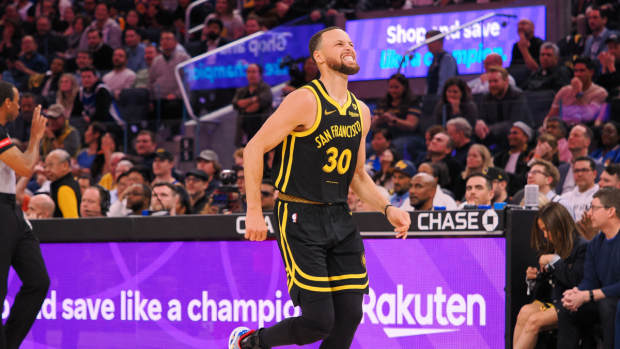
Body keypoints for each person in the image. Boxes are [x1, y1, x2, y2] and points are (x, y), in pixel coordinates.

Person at [233, 27, 411, 349]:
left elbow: (357, 175)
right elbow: (254, 148)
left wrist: (387, 207)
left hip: (340, 216)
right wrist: (255, 210)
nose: (349, 47)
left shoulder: (362, 111)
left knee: (349, 316)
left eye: (352, 43)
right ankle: (249, 343)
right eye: (339, 43)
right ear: (319, 57)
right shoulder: (304, 99)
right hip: (299, 214)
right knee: (319, 321)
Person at [0, 81, 50, 349]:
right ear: (6, 102)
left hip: (11, 209)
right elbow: (26, 166)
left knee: (38, 281)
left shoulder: (3, 132)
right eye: (17, 100)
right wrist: (35, 137)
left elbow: (24, 165)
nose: (20, 106)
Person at [513, 202, 587, 349]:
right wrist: (533, 278)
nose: (545, 235)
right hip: (551, 300)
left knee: (534, 321)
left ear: (560, 225)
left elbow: (575, 279)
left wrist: (554, 261)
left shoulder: (581, 247)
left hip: (573, 302)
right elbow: (546, 284)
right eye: (542, 231)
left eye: (547, 230)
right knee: (524, 312)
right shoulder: (551, 246)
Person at [561, 187, 620, 349]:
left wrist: (588, 295)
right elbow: (590, 280)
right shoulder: (595, 243)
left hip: (613, 300)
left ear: (611, 211)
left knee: (608, 306)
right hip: (601, 297)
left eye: (594, 208)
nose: (589, 213)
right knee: (568, 307)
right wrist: (577, 293)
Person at [545, 57, 608, 126]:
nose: (578, 74)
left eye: (582, 71)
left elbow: (588, 117)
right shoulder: (564, 91)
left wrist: (578, 93)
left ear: (591, 72)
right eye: (575, 71)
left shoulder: (600, 93)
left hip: (584, 130)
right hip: (562, 129)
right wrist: (545, 127)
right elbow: (551, 116)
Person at [371, 73, 422, 157]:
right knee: (368, 147)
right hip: (385, 137)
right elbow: (373, 127)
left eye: (396, 87)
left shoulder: (413, 102)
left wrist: (393, 120)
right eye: (391, 87)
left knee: (396, 145)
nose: (393, 90)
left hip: (408, 136)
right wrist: (377, 120)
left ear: (404, 87)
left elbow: (411, 125)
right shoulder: (382, 103)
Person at [232, 63, 273, 145]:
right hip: (244, 132)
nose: (251, 75)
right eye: (249, 72)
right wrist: (254, 99)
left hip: (261, 132)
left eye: (254, 72)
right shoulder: (242, 91)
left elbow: (257, 105)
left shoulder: (265, 88)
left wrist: (246, 103)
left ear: (260, 74)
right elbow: (236, 103)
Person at [559, 156, 600, 221]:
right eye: (576, 171)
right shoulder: (564, 198)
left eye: (584, 170)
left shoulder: (602, 195)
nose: (579, 174)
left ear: (594, 174)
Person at [44, 149, 81, 218]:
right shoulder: (70, 183)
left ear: (65, 165)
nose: (47, 170)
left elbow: (72, 221)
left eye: (50, 165)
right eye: (45, 166)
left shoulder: (64, 189)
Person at [425, 30, 458, 95]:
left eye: (430, 42)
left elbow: (445, 84)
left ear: (439, 42)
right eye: (427, 42)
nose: (428, 45)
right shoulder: (434, 59)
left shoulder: (447, 59)